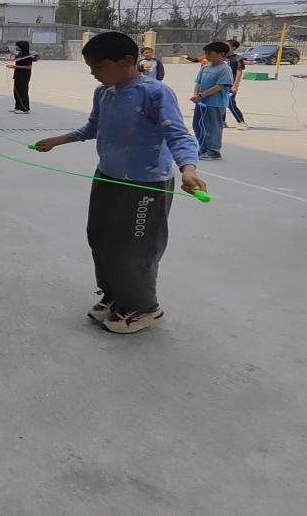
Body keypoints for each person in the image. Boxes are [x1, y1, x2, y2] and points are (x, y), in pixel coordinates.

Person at [32, 31, 206, 335]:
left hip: (145, 186)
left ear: (127, 61)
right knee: (100, 238)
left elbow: (178, 135)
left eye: (98, 67)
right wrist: (56, 141)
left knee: (135, 248)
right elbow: (92, 128)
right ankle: (115, 295)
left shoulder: (155, 93)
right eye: (91, 68)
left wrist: (188, 170)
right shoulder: (105, 93)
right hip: (108, 176)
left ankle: (144, 307)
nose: (93, 74)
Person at [190, 41, 233, 160]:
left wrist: (201, 96)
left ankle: (213, 151)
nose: (207, 56)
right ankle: (203, 148)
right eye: (205, 53)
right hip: (202, 102)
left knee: (212, 126)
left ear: (221, 54)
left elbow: (220, 86)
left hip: (215, 103)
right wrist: (196, 96)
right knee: (198, 125)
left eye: (210, 53)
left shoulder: (224, 69)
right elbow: (198, 83)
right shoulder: (205, 68)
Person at [7, 40, 36, 114]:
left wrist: (15, 66)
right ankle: (18, 107)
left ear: (22, 47)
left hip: (24, 76)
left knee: (23, 92)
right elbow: (15, 60)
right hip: (17, 75)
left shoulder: (28, 56)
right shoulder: (20, 54)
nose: (17, 48)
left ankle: (25, 108)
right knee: (16, 92)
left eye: (18, 46)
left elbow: (29, 67)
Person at [225, 39, 248, 130]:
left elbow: (239, 72)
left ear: (233, 47)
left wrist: (235, 85)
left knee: (230, 102)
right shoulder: (221, 57)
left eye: (227, 45)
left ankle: (241, 122)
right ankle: (222, 122)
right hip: (220, 84)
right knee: (221, 103)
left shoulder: (238, 58)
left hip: (231, 84)